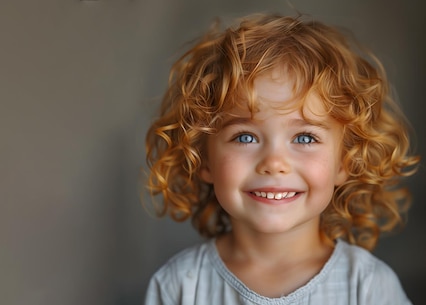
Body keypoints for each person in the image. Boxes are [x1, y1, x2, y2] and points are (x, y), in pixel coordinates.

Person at [143, 13, 420, 305]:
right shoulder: (180, 286)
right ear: (204, 158)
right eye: (245, 137)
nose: (274, 162)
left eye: (304, 138)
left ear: (345, 161)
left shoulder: (368, 286)